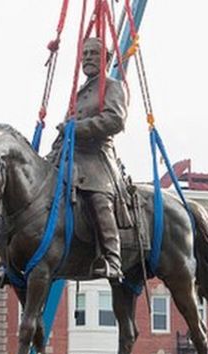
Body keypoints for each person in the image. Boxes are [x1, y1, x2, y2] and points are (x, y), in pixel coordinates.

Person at [47, 36, 129, 280]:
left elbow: (115, 120)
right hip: (69, 154)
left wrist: (77, 127)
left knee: (97, 199)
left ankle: (113, 258)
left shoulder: (113, 86)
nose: (88, 58)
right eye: (85, 54)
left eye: (94, 53)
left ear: (107, 58)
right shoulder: (79, 91)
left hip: (96, 156)